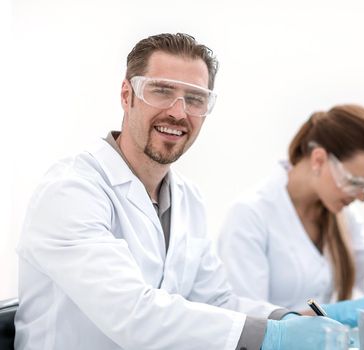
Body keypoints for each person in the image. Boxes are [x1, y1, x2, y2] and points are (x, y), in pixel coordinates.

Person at [14, 33, 347, 350]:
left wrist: (286, 317)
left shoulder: (188, 198)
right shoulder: (71, 191)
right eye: (160, 90)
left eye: (195, 99)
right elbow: (133, 314)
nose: (178, 111)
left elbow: (216, 301)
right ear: (126, 95)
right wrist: (271, 337)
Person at [217, 104, 364, 325]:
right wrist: (333, 315)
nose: (362, 197)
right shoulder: (251, 215)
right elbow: (246, 322)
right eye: (355, 182)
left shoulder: (344, 216)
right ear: (318, 160)